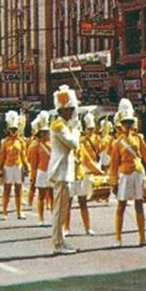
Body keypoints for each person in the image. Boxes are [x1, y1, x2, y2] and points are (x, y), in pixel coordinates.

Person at [109, 98, 146, 247]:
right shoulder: (117, 143)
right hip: (125, 175)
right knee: (121, 206)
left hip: (138, 173)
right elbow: (113, 165)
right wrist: (113, 183)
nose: (128, 126)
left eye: (130, 122)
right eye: (125, 123)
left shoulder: (139, 138)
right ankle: (118, 239)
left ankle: (142, 237)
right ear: (120, 124)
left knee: (139, 205)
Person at [47, 86, 81, 255]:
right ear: (63, 110)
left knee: (62, 210)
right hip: (60, 172)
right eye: (70, 109)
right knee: (59, 211)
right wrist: (76, 128)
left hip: (65, 172)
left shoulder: (64, 125)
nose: (72, 113)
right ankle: (57, 244)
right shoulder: (58, 126)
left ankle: (61, 241)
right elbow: (73, 144)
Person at [70, 111, 105, 234]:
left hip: (79, 176)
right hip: (69, 177)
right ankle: (65, 229)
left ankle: (87, 228)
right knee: (67, 204)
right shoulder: (65, 147)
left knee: (83, 202)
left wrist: (99, 171)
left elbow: (87, 161)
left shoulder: (80, 147)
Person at [0, 110, 28, 220]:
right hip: (8, 167)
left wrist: (26, 167)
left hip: (18, 166)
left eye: (15, 129)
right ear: (8, 130)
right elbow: (1, 156)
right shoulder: (5, 142)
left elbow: (24, 155)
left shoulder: (21, 141)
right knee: (7, 189)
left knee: (18, 190)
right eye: (12, 129)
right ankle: (4, 212)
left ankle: (19, 212)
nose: (13, 131)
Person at [31, 113, 54, 226]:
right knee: (41, 196)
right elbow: (34, 163)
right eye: (43, 132)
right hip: (41, 172)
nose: (45, 134)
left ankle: (55, 218)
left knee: (52, 195)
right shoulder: (35, 145)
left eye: (46, 132)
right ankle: (41, 218)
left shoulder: (53, 144)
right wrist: (33, 176)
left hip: (52, 171)